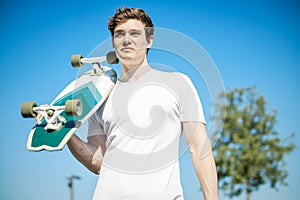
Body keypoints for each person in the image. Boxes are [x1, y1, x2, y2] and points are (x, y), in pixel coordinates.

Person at [66, 7, 219, 200]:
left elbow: (198, 146)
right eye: (119, 34)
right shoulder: (101, 95)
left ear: (149, 40)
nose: (126, 39)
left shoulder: (178, 83)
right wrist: (65, 134)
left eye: (134, 33)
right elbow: (98, 162)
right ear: (113, 42)